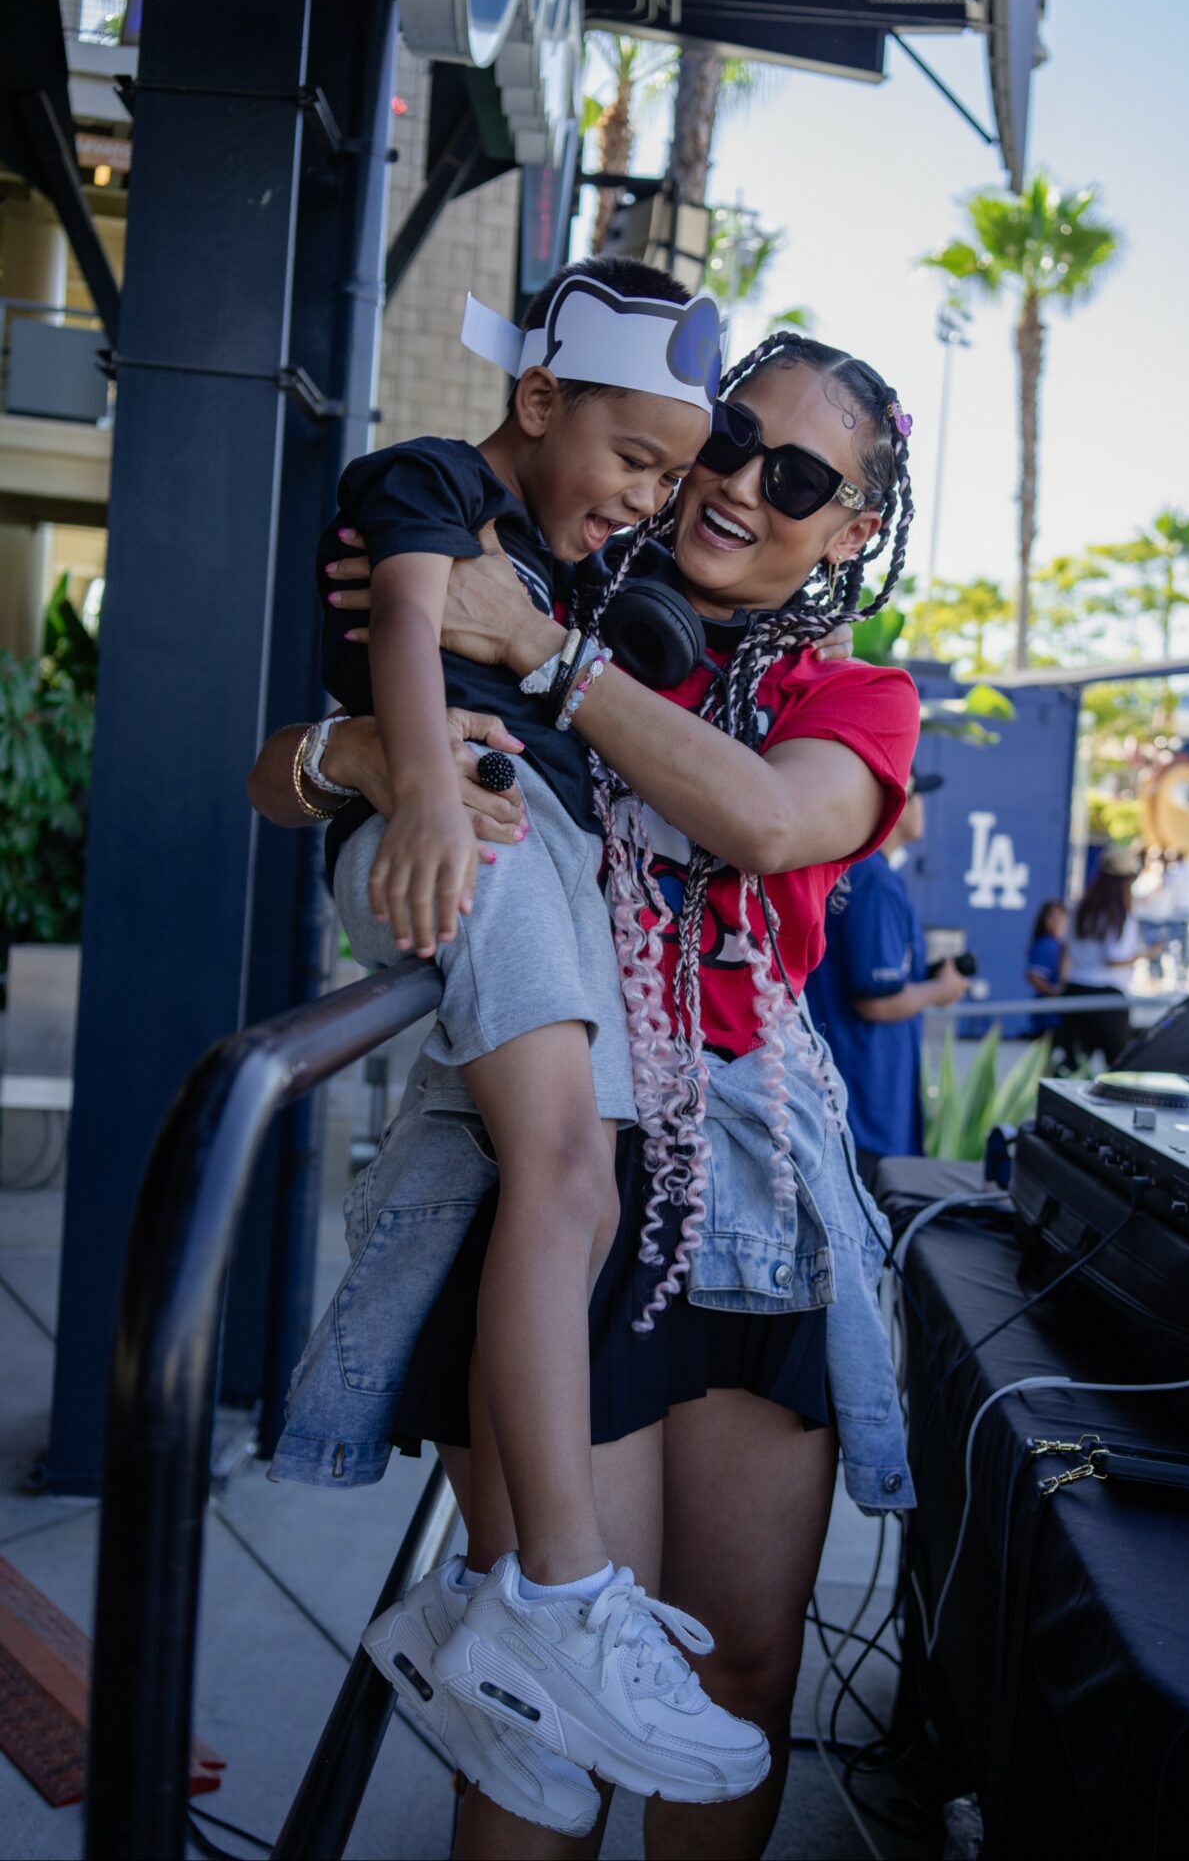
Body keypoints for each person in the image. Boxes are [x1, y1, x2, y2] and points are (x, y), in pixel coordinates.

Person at [250, 326, 921, 1855]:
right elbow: (274, 771)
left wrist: (554, 659)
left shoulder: (854, 694)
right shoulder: (537, 558)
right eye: (727, 440)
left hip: (753, 1194)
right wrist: (367, 754)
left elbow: (764, 820)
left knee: (737, 1675)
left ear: (851, 529)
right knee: (542, 1724)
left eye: (796, 477)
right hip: (555, 1174)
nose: (737, 484)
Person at [304, 252, 774, 1804]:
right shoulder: (434, 478)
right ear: (536, 396)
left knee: (583, 1194)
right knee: (564, 1179)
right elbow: (406, 619)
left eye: (664, 476)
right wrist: (427, 795)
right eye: (630, 459)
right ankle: (560, 1595)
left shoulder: (571, 574)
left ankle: (473, 1603)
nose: (644, 496)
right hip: (480, 829)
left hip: (545, 852)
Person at [804, 769, 968, 1190]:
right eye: (918, 796)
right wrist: (942, 990)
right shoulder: (875, 880)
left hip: (839, 1092)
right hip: (866, 1102)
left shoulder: (849, 868)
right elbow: (876, 1001)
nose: (923, 807)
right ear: (896, 804)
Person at [1061, 848, 1145, 1066]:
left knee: (1072, 1065)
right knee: (1119, 1066)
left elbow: (1066, 947)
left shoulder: (1079, 906)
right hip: (1107, 995)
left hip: (1075, 989)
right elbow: (1115, 958)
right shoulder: (1119, 914)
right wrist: (1144, 954)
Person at [1025, 898, 1068, 1040]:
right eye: (1052, 918)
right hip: (1047, 1019)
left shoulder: (1060, 944)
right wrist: (1055, 994)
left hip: (1059, 1018)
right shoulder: (1045, 944)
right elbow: (1033, 976)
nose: (1056, 922)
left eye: (1060, 918)